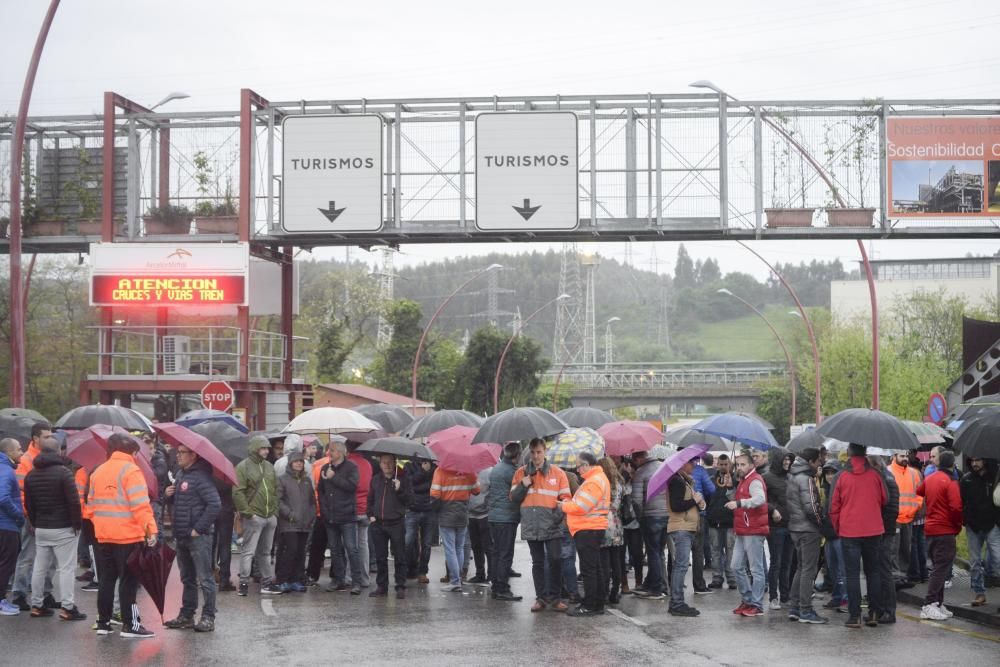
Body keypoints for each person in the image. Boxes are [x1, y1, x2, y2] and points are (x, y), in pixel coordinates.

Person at [89, 432, 158, 638]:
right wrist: (150, 531)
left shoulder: (98, 472)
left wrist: (102, 526)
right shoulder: (131, 471)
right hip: (128, 536)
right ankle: (131, 625)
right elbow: (140, 506)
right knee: (129, 581)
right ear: (132, 451)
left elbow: (91, 506)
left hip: (103, 535)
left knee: (106, 580)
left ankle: (103, 622)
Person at [23, 435, 84, 621]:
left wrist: (35, 522)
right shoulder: (64, 473)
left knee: (39, 567)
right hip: (63, 528)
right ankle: (67, 607)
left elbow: (30, 504)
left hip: (41, 527)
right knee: (66, 568)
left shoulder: (31, 475)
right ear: (59, 452)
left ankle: (36, 604)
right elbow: (74, 502)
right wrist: (77, 524)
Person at [164, 443, 222, 632]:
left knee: (205, 578)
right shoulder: (181, 475)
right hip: (181, 535)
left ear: (193, 455)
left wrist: (199, 528)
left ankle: (208, 616)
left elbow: (214, 504)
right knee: (187, 578)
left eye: (181, 453)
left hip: (198, 537)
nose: (177, 456)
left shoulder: (201, 477)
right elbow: (181, 503)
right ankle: (187, 615)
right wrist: (169, 495)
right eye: (177, 452)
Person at [829, 443, 886, 629]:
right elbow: (885, 499)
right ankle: (874, 613)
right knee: (873, 572)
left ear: (849, 453)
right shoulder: (876, 475)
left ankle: (855, 616)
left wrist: (838, 527)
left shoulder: (841, 476)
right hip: (873, 529)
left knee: (852, 575)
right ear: (865, 453)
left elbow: (833, 507)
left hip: (849, 530)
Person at [511, 438, 571, 611]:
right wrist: (523, 485)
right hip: (532, 524)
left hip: (552, 525)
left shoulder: (558, 473)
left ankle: (555, 597)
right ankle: (541, 598)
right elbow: (513, 498)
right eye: (533, 452)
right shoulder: (521, 473)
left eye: (539, 452)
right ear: (529, 453)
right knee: (537, 562)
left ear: (545, 452)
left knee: (555, 560)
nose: (536, 456)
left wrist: (556, 518)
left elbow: (566, 499)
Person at [11, 422, 56, 613]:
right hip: (32, 516)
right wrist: (29, 515)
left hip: (48, 515)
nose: (50, 439)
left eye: (50, 436)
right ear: (35, 439)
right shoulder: (26, 460)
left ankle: (46, 594)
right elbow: (22, 492)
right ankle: (19, 595)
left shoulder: (48, 458)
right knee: (27, 557)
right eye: (46, 436)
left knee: (49, 559)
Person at [559, 452, 610, 617]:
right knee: (595, 568)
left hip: (588, 529)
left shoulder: (594, 481)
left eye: (579, 465)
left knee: (589, 569)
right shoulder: (596, 479)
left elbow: (581, 507)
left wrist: (564, 506)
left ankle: (590, 605)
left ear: (587, 464)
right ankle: (597, 603)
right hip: (591, 528)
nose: (578, 469)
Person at [917, 450, 963, 620]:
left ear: (938, 463)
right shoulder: (951, 482)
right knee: (941, 568)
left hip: (930, 528)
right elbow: (956, 507)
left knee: (938, 566)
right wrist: (957, 526)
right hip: (945, 530)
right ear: (952, 464)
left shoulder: (930, 478)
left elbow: (919, 490)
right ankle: (928, 604)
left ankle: (938, 602)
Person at [233, 434, 280, 597]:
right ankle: (244, 584)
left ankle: (266, 583)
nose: (266, 451)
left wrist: (274, 512)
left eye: (267, 448)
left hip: (269, 516)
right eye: (263, 448)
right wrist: (248, 513)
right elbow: (238, 492)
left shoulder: (269, 466)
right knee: (248, 552)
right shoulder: (243, 467)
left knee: (266, 552)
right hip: (254, 516)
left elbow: (276, 489)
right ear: (254, 449)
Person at [784, 447, 826, 624]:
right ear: (810, 462)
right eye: (818, 461)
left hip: (795, 527)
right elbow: (812, 507)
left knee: (801, 568)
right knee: (808, 570)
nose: (820, 464)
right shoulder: (806, 479)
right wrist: (821, 523)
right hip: (808, 530)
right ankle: (806, 610)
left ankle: (795, 607)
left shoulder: (792, 476)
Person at [725, 452, 769, 617]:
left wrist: (739, 502)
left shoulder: (755, 480)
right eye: (737, 465)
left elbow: (760, 499)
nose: (739, 468)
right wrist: (730, 488)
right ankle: (748, 599)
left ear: (752, 465)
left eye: (743, 464)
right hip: (743, 529)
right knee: (736, 566)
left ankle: (756, 604)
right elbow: (736, 502)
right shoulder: (744, 480)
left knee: (756, 569)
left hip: (753, 529)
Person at [318, 440, 363, 595]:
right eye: (330, 449)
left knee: (352, 549)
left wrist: (334, 477)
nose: (330, 452)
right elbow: (321, 491)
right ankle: (339, 580)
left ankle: (356, 581)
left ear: (342, 452)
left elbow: (352, 486)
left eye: (334, 450)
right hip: (330, 516)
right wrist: (324, 509)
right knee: (335, 550)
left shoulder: (352, 467)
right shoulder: (325, 468)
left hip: (347, 515)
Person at [367, 454, 412, 599]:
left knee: (399, 556)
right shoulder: (376, 479)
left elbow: (410, 501)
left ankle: (400, 586)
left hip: (396, 522)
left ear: (395, 463)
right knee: (380, 557)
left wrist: (399, 489)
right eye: (383, 462)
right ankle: (382, 586)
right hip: (378, 523)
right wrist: (371, 515)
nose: (386, 465)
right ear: (379, 464)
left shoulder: (403, 479)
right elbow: (370, 499)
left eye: (389, 462)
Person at [430, 462, 480, 593]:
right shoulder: (469, 469)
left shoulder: (440, 470)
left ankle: (455, 581)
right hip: (462, 513)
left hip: (446, 513)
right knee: (459, 547)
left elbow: (435, 494)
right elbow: (477, 490)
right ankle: (459, 578)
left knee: (450, 549)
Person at [666, 458, 706, 617]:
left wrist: (699, 502)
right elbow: (676, 506)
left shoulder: (684, 480)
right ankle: (677, 603)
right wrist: (693, 501)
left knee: (680, 565)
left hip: (686, 527)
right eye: (692, 463)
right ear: (683, 464)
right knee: (681, 566)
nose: (694, 465)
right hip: (681, 527)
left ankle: (676, 602)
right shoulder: (676, 481)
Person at [960, 458, 1000, 608]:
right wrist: (965, 520)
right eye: (973, 460)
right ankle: (979, 593)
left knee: (997, 559)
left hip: (992, 525)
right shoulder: (967, 479)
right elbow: (961, 501)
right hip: (973, 526)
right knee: (975, 562)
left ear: (985, 461)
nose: (974, 463)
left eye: (978, 460)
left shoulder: (995, 476)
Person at [631, 449, 669, 601]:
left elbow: (636, 500)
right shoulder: (664, 467)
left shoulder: (641, 472)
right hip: (666, 515)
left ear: (638, 459)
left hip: (651, 516)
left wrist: (640, 517)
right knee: (659, 551)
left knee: (653, 552)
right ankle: (653, 583)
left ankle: (656, 588)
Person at [274, 449, 315, 594]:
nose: (299, 464)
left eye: (301, 462)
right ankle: (282, 580)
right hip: (289, 524)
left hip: (304, 524)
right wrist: (289, 514)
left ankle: (296, 580)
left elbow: (312, 502)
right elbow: (278, 501)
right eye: (296, 461)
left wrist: (311, 516)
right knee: (290, 551)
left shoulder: (307, 481)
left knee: (300, 552)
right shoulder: (282, 479)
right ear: (290, 463)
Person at [487, 442, 521, 601]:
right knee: (505, 554)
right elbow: (518, 494)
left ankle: (495, 585)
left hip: (494, 516)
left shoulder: (496, 469)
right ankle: (502, 588)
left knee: (496, 553)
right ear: (517, 456)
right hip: (506, 518)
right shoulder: (512, 472)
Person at [761, 448, 793, 611]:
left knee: (787, 562)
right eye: (784, 459)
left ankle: (785, 595)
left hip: (791, 525)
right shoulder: (766, 477)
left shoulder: (791, 476)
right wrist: (772, 510)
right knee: (776, 562)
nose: (787, 462)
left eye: (789, 459)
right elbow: (761, 500)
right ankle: (774, 597)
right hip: (775, 527)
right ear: (778, 460)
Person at [870, 455, 899, 624]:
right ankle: (881, 609)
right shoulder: (886, 478)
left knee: (884, 571)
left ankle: (889, 610)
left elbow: (889, 508)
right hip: (883, 530)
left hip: (884, 532)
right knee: (879, 570)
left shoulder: (885, 480)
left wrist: (882, 529)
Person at [888, 451, 922, 586]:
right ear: (894, 456)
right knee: (893, 549)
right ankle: (895, 576)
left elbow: (920, 492)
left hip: (909, 518)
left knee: (905, 549)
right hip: (894, 518)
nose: (905, 459)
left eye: (906, 456)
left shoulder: (914, 473)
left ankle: (903, 575)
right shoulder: (888, 471)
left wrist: (916, 508)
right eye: (902, 456)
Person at [0, 438, 25, 616]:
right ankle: (1, 601)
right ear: (9, 452)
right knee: (6, 565)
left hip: (5, 524)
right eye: (18, 449)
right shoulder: (6, 470)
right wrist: (19, 515)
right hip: (7, 525)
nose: (21, 452)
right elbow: (2, 497)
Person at [404, 458, 437, 585]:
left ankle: (422, 572)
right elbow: (410, 483)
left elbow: (433, 486)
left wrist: (419, 485)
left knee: (427, 544)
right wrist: (423, 472)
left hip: (429, 509)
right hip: (413, 509)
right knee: (408, 542)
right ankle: (405, 569)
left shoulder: (434, 468)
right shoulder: (409, 466)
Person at [706, 454, 737, 591]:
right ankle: (717, 578)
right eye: (721, 464)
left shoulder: (736, 479)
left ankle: (732, 579)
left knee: (731, 551)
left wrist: (732, 485)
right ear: (717, 464)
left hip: (730, 521)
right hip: (714, 520)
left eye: (726, 464)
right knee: (715, 551)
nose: (723, 466)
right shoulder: (712, 479)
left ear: (730, 464)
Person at [346, 441, 374, 589]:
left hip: (351, 508)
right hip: (365, 509)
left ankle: (351, 577)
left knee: (350, 546)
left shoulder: (348, 464)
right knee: (363, 545)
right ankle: (364, 578)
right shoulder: (367, 464)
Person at [597, 457, 625, 605]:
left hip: (603, 523)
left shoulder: (601, 483)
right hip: (617, 523)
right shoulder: (620, 483)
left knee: (604, 562)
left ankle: (604, 593)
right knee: (616, 561)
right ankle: (615, 591)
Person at [689, 457, 715, 595]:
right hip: (699, 514)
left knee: (677, 554)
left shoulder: (673, 471)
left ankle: (672, 582)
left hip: (680, 516)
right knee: (698, 551)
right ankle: (699, 585)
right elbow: (711, 490)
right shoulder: (699, 470)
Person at [466, 464, 493, 586]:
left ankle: (491, 575)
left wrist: (486, 505)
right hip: (470, 515)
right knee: (476, 546)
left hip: (485, 515)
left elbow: (493, 491)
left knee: (488, 547)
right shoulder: (466, 471)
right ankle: (480, 574)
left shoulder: (489, 471)